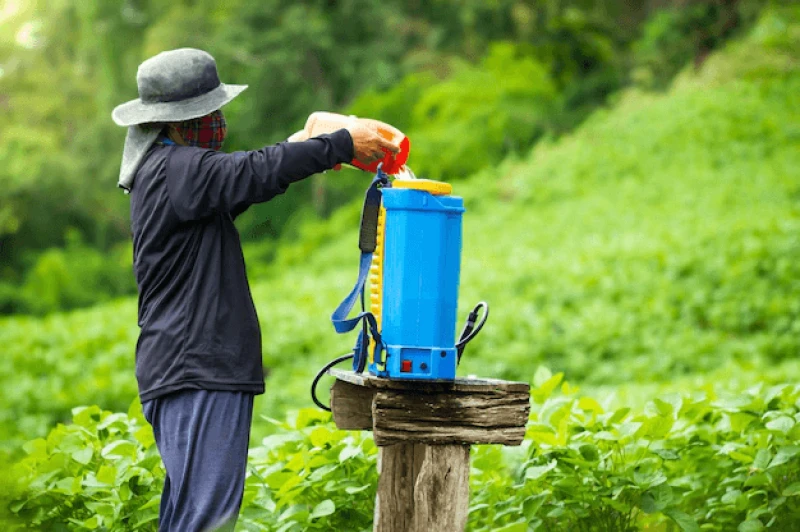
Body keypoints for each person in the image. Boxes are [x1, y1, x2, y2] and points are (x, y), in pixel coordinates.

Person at [111, 48, 399, 531]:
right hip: (196, 369)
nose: (219, 122)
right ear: (180, 122)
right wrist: (340, 144)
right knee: (208, 520)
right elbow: (249, 171)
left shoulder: (169, 175)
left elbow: (248, 179)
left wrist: (302, 148)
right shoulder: (177, 169)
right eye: (210, 113)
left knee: (190, 518)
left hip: (185, 370)